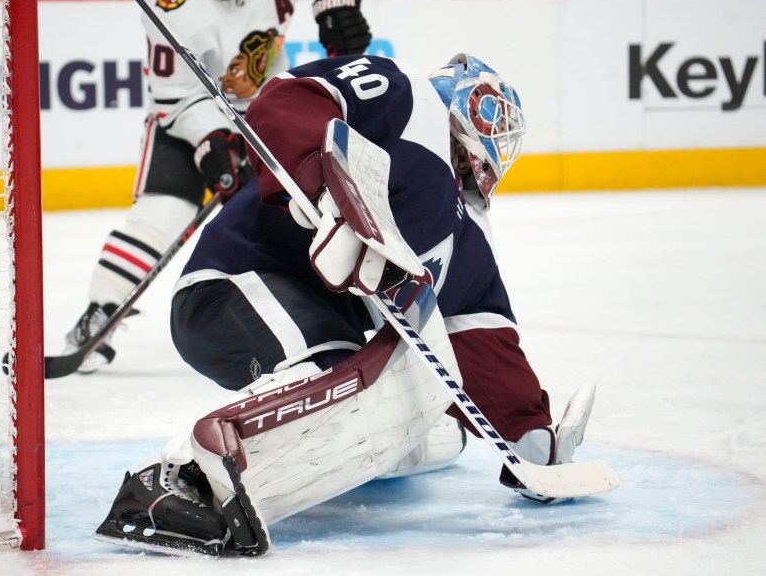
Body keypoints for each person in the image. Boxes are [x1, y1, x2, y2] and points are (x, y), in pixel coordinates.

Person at [92, 53, 605, 556]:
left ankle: (236, 467)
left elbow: (479, 340)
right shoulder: (405, 98)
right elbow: (286, 101)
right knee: (330, 372)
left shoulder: (467, 239)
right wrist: (326, 191)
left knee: (359, 391)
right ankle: (174, 480)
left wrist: (529, 439)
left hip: (316, 324)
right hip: (233, 282)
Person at [51, 0, 371, 374]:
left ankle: (331, 304)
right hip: (188, 114)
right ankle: (101, 313)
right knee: (162, 213)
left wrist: (336, 2)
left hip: (266, 110)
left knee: (301, 208)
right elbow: (174, 96)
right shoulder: (168, 2)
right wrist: (212, 140)